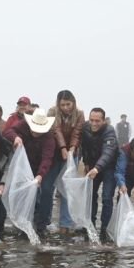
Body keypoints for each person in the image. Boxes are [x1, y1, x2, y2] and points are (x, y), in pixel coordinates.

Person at [4, 108, 57, 234]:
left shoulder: (49, 138)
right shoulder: (22, 124)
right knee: (23, 192)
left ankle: (41, 225)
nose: (36, 132)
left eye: (39, 131)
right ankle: (22, 223)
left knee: (45, 192)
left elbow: (47, 159)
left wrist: (40, 176)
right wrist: (16, 138)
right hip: (25, 165)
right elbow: (7, 131)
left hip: (45, 168)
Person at [41, 90, 85, 235]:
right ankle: (44, 221)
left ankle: (65, 224)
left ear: (73, 102)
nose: (66, 107)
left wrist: (72, 149)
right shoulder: (52, 112)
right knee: (47, 187)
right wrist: (62, 148)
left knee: (67, 189)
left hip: (73, 153)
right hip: (54, 152)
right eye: (63, 105)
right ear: (58, 104)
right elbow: (56, 130)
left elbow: (77, 132)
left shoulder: (79, 114)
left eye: (68, 104)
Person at [81, 107, 118, 238]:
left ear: (103, 121)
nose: (94, 123)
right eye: (91, 120)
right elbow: (84, 147)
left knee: (107, 198)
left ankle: (105, 229)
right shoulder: (85, 128)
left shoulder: (109, 131)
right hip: (92, 166)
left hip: (109, 166)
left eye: (97, 121)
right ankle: (89, 226)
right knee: (90, 196)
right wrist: (86, 163)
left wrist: (97, 168)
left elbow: (108, 152)